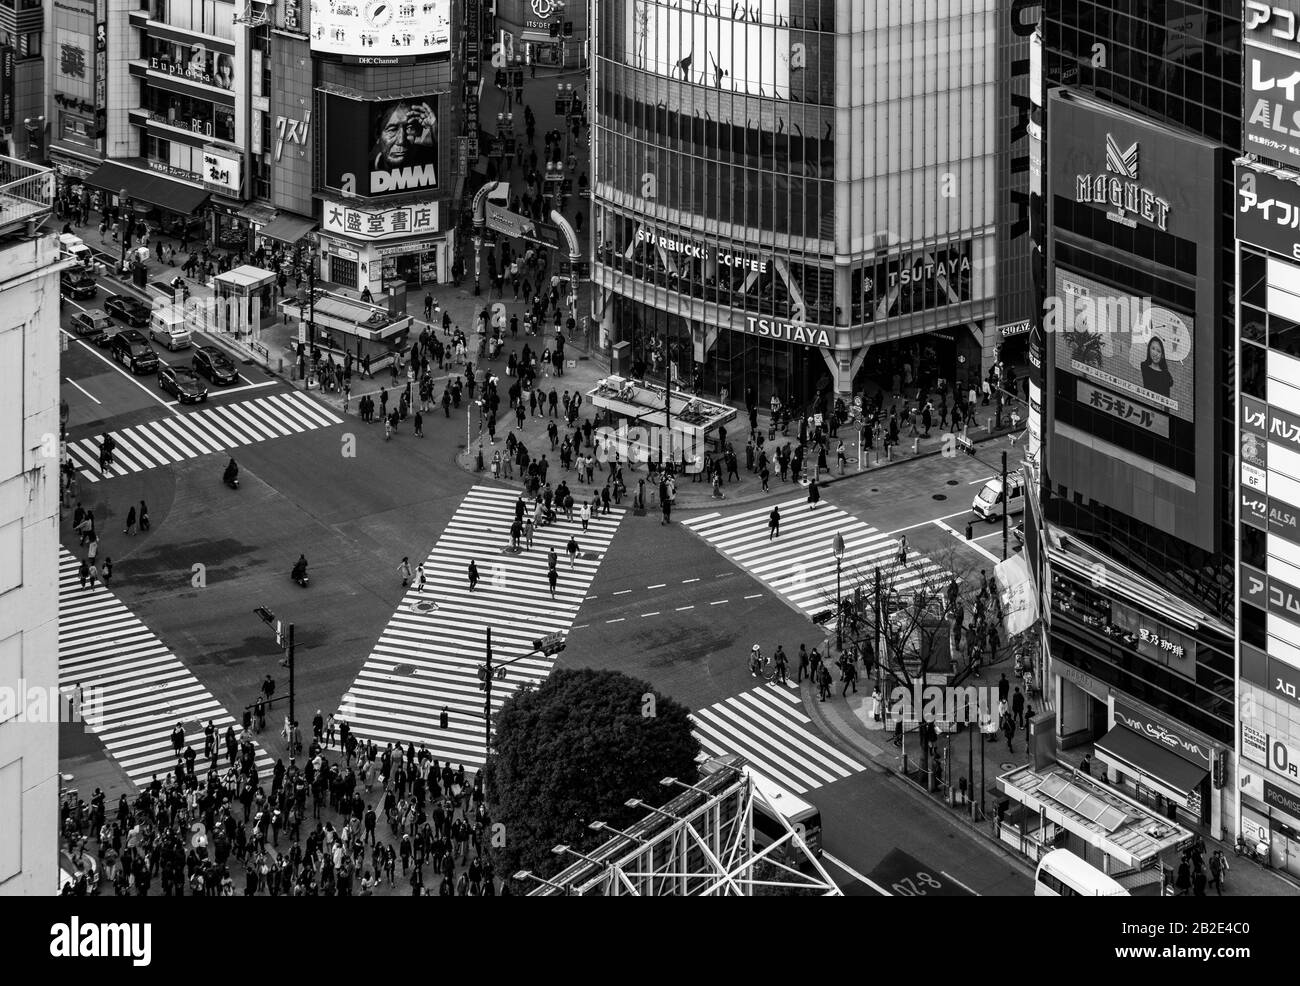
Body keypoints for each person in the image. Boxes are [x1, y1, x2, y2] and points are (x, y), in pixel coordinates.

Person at [371, 98, 438, 179]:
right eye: (392, 130)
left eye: (410, 128)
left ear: (421, 130)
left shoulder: (435, 165)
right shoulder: (364, 172)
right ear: (377, 134)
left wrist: (438, 141)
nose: (401, 140)